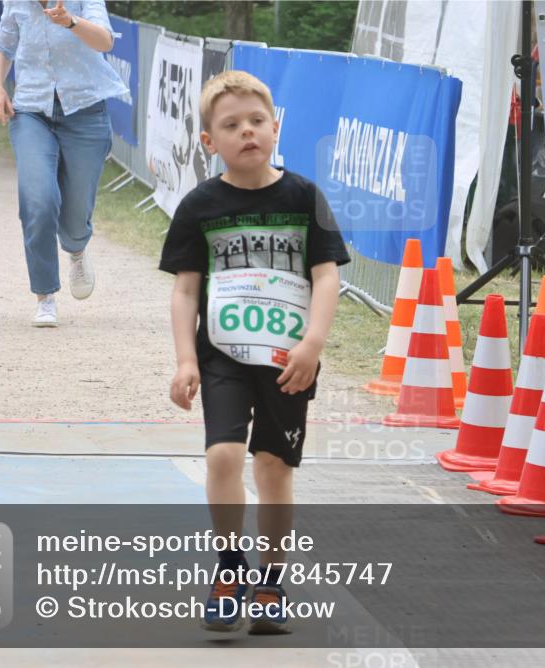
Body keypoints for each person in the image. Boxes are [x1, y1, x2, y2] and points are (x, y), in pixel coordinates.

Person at [160, 70, 350, 635]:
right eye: (231, 125)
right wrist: (186, 360)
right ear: (208, 141)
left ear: (275, 127)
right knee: (223, 456)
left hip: (287, 359)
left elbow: (326, 276)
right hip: (222, 355)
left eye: (257, 121)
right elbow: (185, 290)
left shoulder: (304, 197)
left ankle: (270, 581)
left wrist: (312, 343)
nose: (247, 131)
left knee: (272, 466)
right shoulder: (199, 205)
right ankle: (229, 570)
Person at [0, 0, 127, 327]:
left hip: (85, 110)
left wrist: (70, 22)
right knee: (38, 200)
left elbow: (105, 41)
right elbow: (3, 48)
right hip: (31, 111)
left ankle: (76, 248)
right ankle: (45, 295)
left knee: (76, 214)